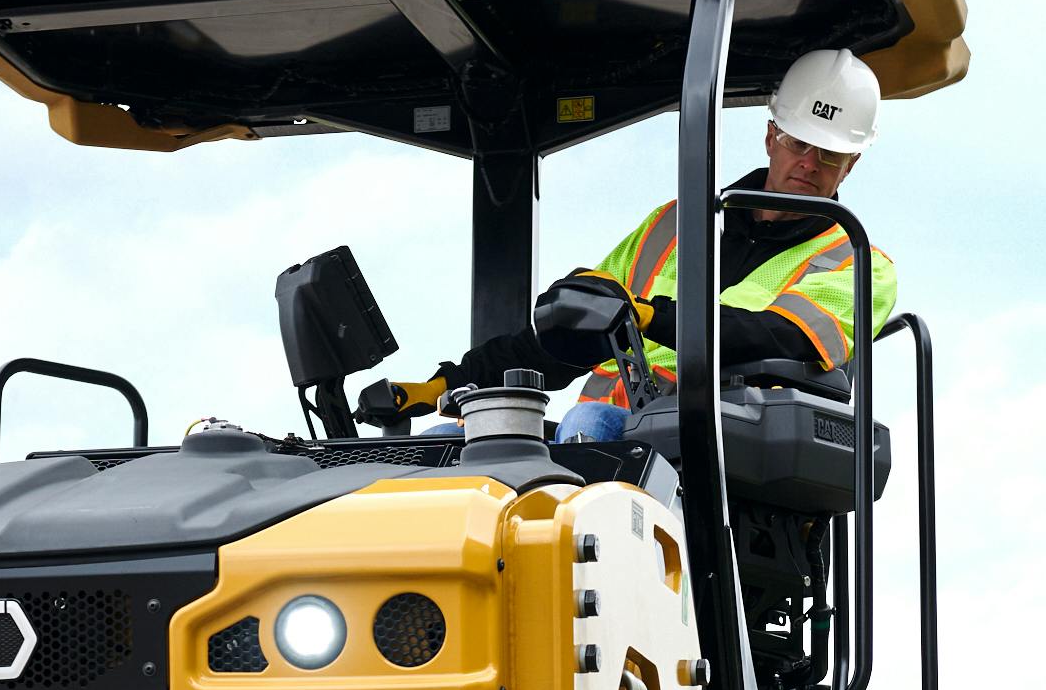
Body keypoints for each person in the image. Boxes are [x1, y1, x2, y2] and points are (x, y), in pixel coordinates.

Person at [379, 48, 899, 441]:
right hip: (612, 438)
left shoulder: (857, 262)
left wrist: (649, 317)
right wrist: (449, 384)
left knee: (586, 426)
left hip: (717, 456)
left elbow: (780, 337)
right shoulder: (675, 225)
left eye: (829, 154)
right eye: (798, 142)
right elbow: (574, 328)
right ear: (771, 137)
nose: (808, 163)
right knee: (453, 443)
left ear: (851, 164)